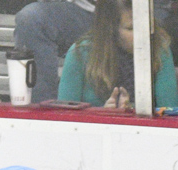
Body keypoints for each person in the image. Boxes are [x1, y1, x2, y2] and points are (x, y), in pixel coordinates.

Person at [14, 0, 170, 104]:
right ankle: (43, 117)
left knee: (155, 36)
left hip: (146, 7)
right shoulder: (79, 51)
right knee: (31, 19)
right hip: (84, 9)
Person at [57, 0, 178, 109]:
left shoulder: (160, 49)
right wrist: (102, 116)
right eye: (131, 28)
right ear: (111, 30)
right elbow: (65, 116)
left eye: (146, 25)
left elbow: (170, 113)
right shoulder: (79, 53)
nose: (143, 34)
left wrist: (132, 111)